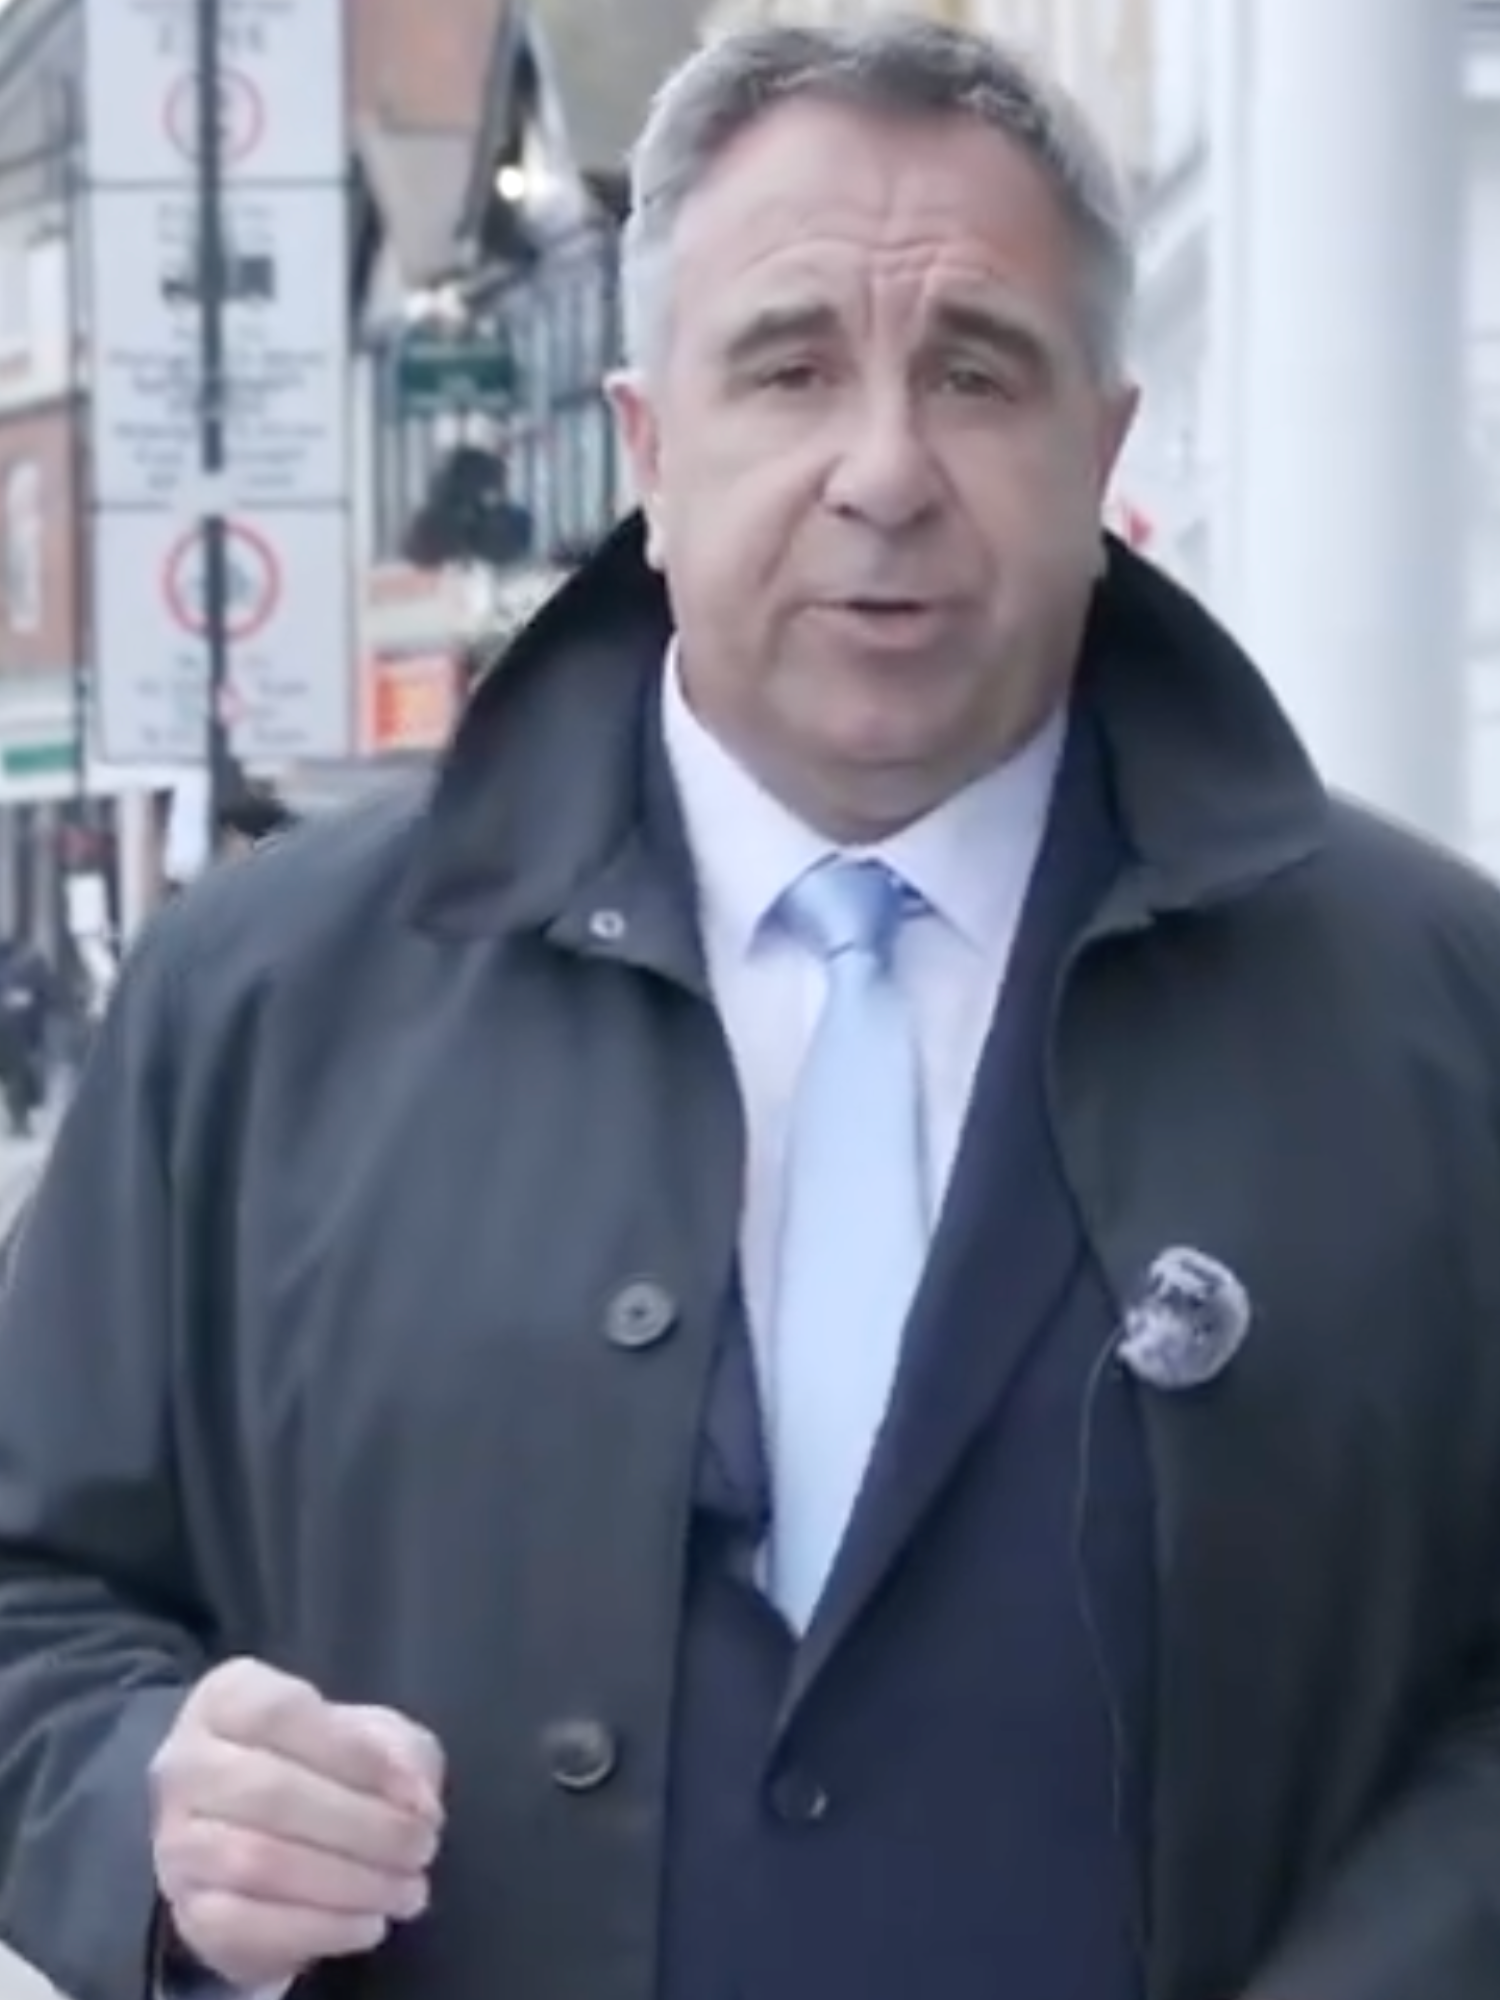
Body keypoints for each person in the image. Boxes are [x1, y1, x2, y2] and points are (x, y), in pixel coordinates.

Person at [0, 18, 1497, 2000]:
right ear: (644, 441)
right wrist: (144, 1812)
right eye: (789, 366)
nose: (882, 469)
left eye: (976, 371)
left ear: (1107, 445)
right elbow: (32, 1600)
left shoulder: (1433, 1023)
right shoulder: (263, 1009)